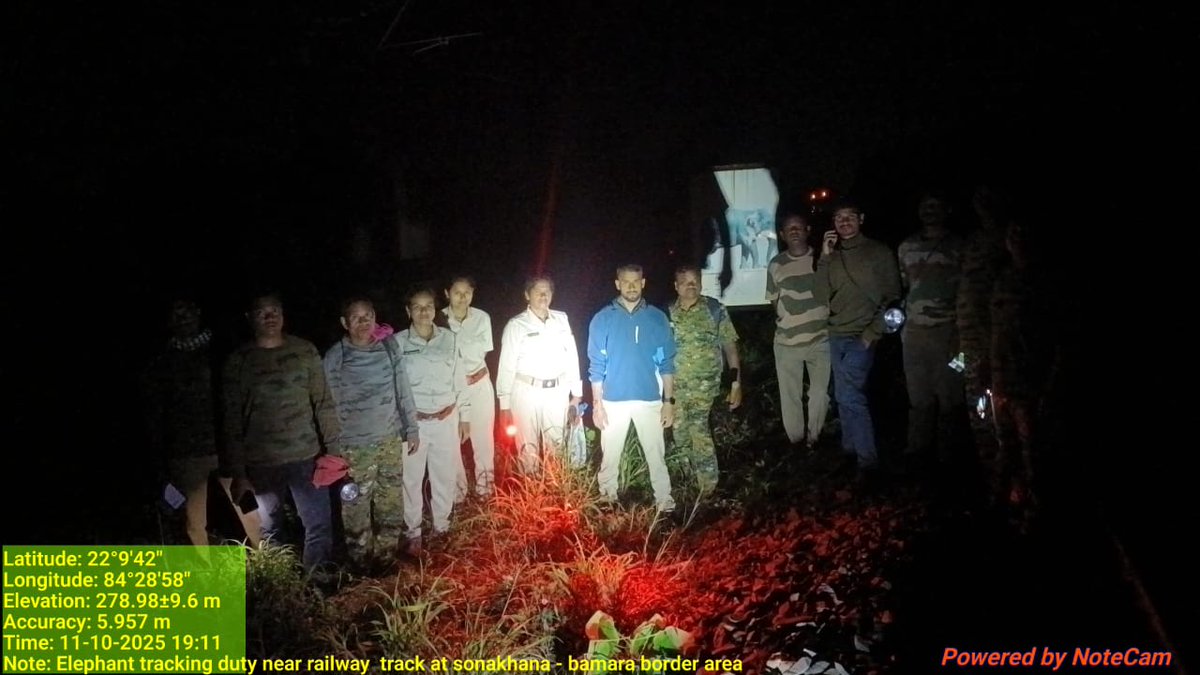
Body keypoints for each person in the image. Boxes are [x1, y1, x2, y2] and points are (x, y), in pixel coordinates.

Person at [223, 292, 340, 573]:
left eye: (275, 310)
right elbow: (231, 420)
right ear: (250, 318)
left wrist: (334, 451)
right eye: (263, 312)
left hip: (306, 458)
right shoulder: (239, 362)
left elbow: (323, 402)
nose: (270, 316)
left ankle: (316, 584)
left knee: (319, 525)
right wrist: (239, 473)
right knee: (271, 530)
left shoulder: (305, 351)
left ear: (283, 315)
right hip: (262, 464)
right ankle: (282, 588)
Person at [141, 298, 261, 548]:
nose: (183, 317)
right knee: (194, 522)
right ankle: (205, 575)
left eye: (187, 311)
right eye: (176, 313)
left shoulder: (222, 350)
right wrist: (161, 457)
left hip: (228, 447)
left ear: (198, 313)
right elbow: (156, 411)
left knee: (249, 508)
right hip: (186, 453)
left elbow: (239, 396)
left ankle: (269, 561)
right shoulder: (162, 361)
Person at [323, 296, 419, 570]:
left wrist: (411, 428)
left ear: (375, 317)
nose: (364, 322)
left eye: (368, 316)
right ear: (345, 323)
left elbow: (403, 389)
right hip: (354, 447)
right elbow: (327, 404)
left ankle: (386, 558)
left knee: (391, 503)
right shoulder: (335, 356)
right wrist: (333, 446)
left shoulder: (389, 348)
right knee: (355, 507)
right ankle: (360, 564)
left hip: (389, 440)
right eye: (356, 317)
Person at [816, 199, 902, 481]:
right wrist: (825, 256)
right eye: (839, 218)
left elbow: (893, 297)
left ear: (861, 218)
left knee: (851, 396)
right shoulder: (833, 255)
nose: (844, 222)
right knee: (842, 396)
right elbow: (820, 295)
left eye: (850, 217)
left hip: (862, 335)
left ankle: (868, 462)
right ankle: (850, 451)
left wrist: (871, 334)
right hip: (836, 333)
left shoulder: (878, 252)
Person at [989, 218, 1062, 529]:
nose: (1017, 240)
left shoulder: (1046, 282)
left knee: (1033, 449)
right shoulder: (1003, 279)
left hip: (1030, 381)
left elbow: (1059, 339)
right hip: (1002, 378)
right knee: (1006, 446)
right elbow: (995, 328)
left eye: (1023, 234)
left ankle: (1039, 510)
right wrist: (987, 368)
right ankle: (1001, 503)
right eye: (1012, 235)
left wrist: (1049, 384)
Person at [588, 264, 677, 514]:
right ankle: (607, 499)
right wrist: (598, 405)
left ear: (643, 282)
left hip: (649, 400)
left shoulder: (657, 318)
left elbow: (667, 363)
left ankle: (665, 502)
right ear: (617, 284)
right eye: (625, 282)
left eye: (635, 281)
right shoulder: (602, 319)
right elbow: (596, 365)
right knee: (610, 457)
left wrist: (668, 401)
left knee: (656, 456)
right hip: (613, 401)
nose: (630, 286)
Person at [393, 286, 470, 556]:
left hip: (446, 418)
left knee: (444, 476)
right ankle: (413, 533)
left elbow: (460, 379)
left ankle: (442, 528)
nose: (424, 312)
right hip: (414, 424)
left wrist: (465, 416)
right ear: (408, 311)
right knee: (411, 479)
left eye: (429, 306)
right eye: (417, 306)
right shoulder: (397, 343)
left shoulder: (449, 339)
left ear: (436, 309)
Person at [897, 190, 966, 464]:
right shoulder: (906, 247)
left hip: (950, 334)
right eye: (926, 206)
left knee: (951, 396)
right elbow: (905, 287)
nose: (930, 211)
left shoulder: (959, 246)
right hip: (914, 336)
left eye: (936, 206)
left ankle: (952, 455)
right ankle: (918, 452)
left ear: (946, 210)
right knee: (919, 396)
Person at [496, 275, 584, 475]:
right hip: (526, 392)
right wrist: (504, 406)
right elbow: (506, 366)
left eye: (548, 292)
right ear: (527, 295)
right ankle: (531, 496)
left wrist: (576, 395)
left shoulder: (561, 319)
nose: (544, 296)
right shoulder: (516, 325)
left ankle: (556, 494)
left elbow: (571, 356)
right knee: (528, 448)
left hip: (557, 392)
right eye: (538, 292)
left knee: (557, 445)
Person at [667, 265, 741, 497]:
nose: (691, 285)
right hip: (676, 387)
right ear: (676, 286)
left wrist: (736, 383)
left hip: (704, 385)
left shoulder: (714, 309)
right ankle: (689, 482)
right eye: (685, 281)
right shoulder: (668, 312)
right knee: (679, 432)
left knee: (698, 428)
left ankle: (708, 487)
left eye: (695, 281)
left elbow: (730, 345)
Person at [956, 185, 1012, 489]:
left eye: (989, 200)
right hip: (968, 345)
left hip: (997, 347)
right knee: (975, 408)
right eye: (979, 201)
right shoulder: (973, 241)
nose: (983, 207)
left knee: (1000, 413)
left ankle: (1012, 481)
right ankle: (992, 477)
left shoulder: (1008, 240)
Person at [766, 213, 831, 450]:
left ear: (808, 230)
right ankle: (795, 441)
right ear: (782, 235)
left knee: (819, 394)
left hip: (820, 340)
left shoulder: (823, 258)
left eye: (798, 227)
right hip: (786, 342)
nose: (794, 231)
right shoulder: (775, 264)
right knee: (790, 395)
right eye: (788, 228)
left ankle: (814, 439)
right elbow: (774, 300)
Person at [442, 276, 497, 497]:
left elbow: (481, 353)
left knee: (483, 440)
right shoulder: (439, 320)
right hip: (451, 389)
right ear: (447, 293)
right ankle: (458, 494)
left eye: (468, 292)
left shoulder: (482, 318)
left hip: (479, 383)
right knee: (452, 442)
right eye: (457, 292)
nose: (463, 297)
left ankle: (486, 489)